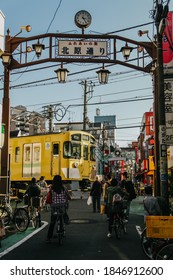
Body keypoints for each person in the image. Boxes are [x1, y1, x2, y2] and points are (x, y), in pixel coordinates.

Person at [46, 175, 71, 242]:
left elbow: (48, 198)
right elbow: (69, 197)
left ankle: (49, 238)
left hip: (54, 207)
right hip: (62, 206)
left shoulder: (52, 188)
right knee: (63, 215)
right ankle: (65, 221)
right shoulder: (64, 188)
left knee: (52, 222)